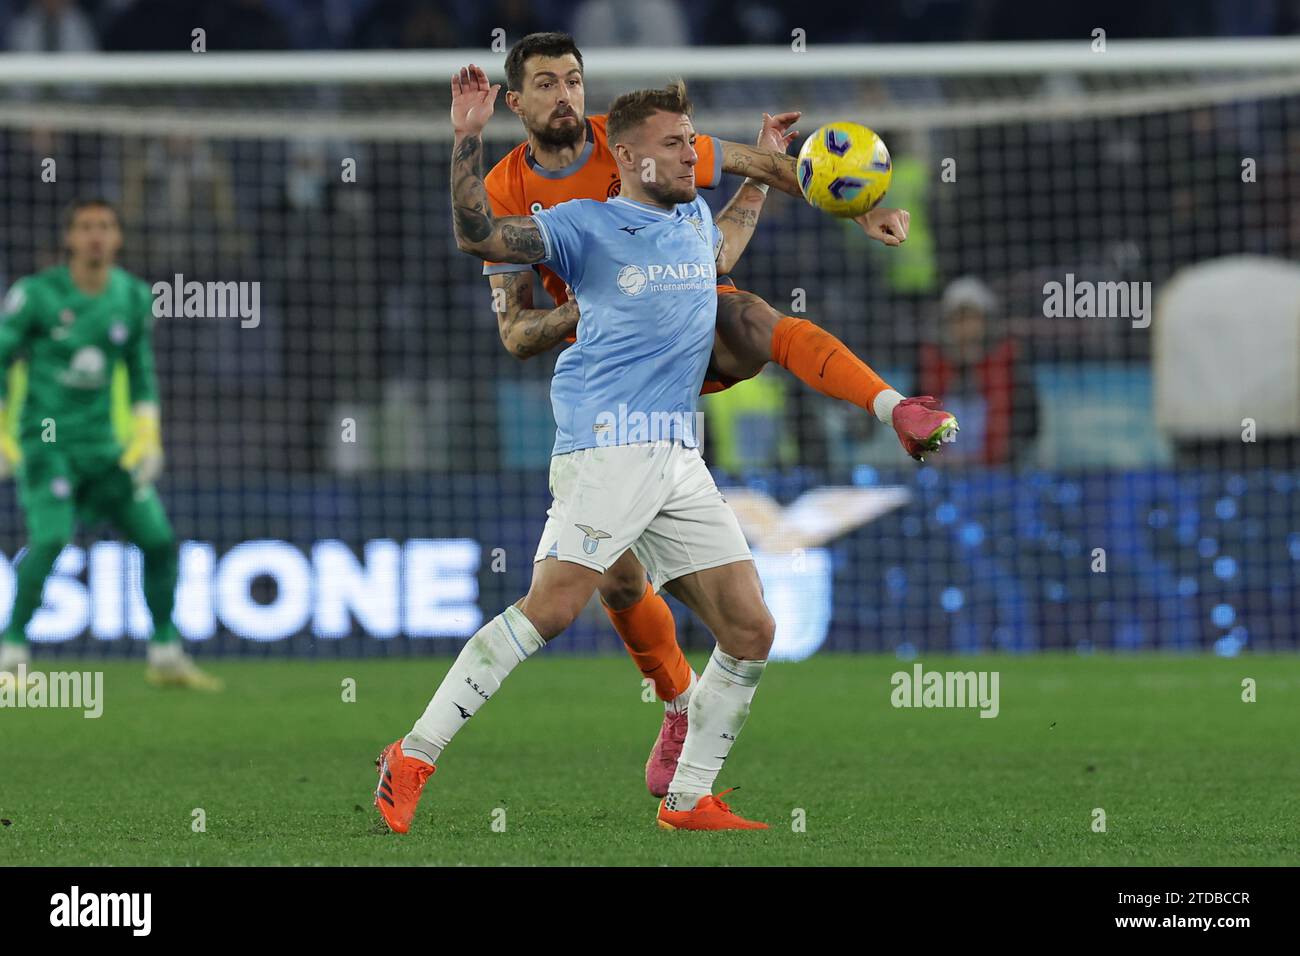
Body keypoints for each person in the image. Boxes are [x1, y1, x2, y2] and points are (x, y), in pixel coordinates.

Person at [478, 32, 957, 796]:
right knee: (621, 582)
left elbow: (761, 163)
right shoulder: (505, 190)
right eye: (545, 84)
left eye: (573, 79)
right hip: (615, 378)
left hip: (692, 322)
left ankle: (894, 405)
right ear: (517, 101)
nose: (565, 96)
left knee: (754, 319)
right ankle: (676, 704)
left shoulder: (636, 141)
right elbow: (514, 331)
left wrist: (857, 206)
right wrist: (601, 306)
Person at [376, 65, 790, 833]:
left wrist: (765, 161)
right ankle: (414, 753)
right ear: (631, 158)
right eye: (677, 145)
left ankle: (689, 797)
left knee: (751, 628)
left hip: (674, 451)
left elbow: (725, 248)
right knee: (553, 609)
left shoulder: (692, 221)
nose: (692, 155)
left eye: (693, 142)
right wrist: (466, 139)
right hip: (607, 443)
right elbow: (479, 235)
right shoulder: (580, 225)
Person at [0, 200, 221, 691]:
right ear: (70, 239)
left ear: (117, 237)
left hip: (105, 451)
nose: (96, 235)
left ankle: (165, 654)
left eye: (105, 226)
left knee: (160, 541)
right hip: (47, 445)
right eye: (85, 227)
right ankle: (10, 654)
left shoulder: (133, 296)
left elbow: (140, 371)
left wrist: (148, 436)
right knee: (52, 539)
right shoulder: (35, 296)